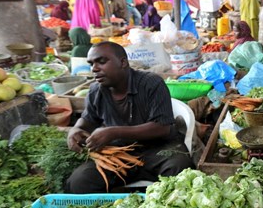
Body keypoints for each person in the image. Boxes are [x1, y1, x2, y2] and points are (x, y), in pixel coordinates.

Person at [65, 42, 193, 193]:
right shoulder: (95, 91)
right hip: (118, 154)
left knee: (180, 168)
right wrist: (75, 130)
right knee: (79, 181)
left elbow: (162, 128)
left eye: (102, 61)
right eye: (91, 64)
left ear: (123, 62)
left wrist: (113, 132)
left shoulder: (151, 83)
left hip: (158, 149)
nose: (94, 68)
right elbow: (87, 120)